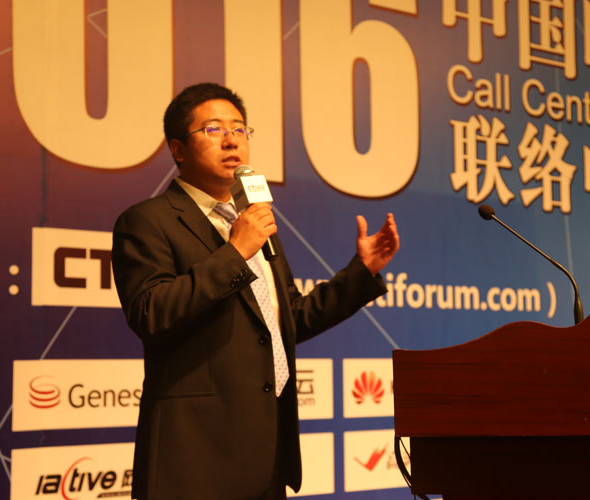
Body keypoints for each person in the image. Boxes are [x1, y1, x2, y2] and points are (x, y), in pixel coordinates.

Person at [111, 82, 399, 500]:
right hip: (194, 459)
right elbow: (150, 313)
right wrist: (235, 253)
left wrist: (361, 272)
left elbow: (287, 320)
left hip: (266, 455)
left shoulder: (253, 221)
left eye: (239, 128)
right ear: (178, 148)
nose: (231, 140)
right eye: (213, 129)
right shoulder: (148, 221)